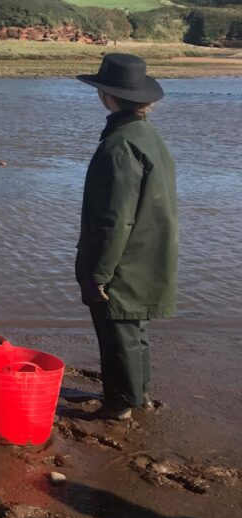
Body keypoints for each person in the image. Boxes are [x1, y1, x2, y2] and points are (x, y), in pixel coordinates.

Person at [75, 53, 178, 421]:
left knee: (118, 332)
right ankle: (140, 395)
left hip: (125, 259)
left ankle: (121, 404)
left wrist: (99, 273)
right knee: (134, 330)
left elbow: (113, 220)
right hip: (149, 254)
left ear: (108, 96)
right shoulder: (147, 135)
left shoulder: (119, 145)